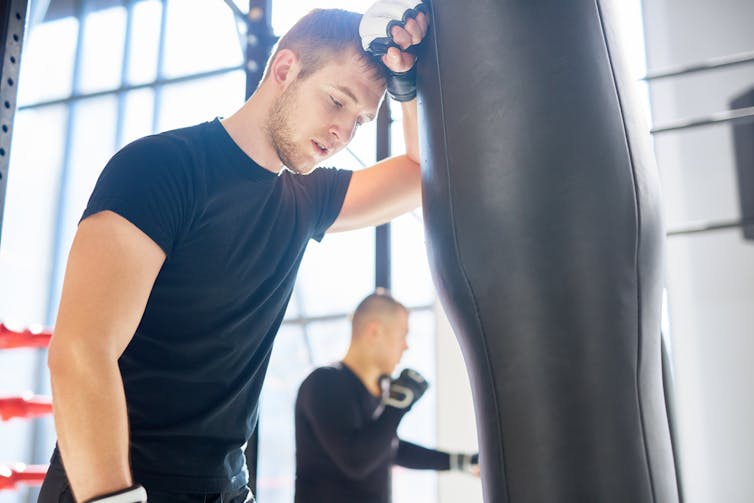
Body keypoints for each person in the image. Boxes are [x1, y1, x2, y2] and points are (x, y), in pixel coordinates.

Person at [38, 2, 430, 502]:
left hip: (225, 488)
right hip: (118, 485)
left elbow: (421, 173)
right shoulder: (161, 168)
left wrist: (406, 78)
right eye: (336, 101)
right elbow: (81, 352)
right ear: (284, 68)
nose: (343, 133)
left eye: (359, 122)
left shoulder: (305, 200)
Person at [294, 291, 479, 503]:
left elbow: (387, 448)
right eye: (403, 334)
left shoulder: (375, 392)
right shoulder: (325, 383)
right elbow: (356, 460)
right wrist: (397, 405)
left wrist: (463, 461)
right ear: (375, 332)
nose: (406, 346)